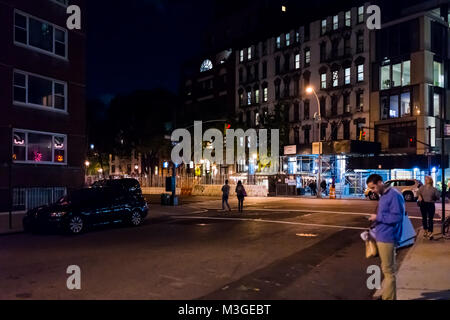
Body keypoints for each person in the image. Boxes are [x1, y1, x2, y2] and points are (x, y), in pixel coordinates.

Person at [366, 174, 405, 301]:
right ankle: (388, 295)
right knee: (386, 269)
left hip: (387, 237)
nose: (372, 191)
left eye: (373, 187)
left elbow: (397, 217)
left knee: (389, 272)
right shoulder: (384, 195)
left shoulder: (393, 195)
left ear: (380, 182)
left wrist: (378, 218)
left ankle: (389, 298)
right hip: (382, 235)